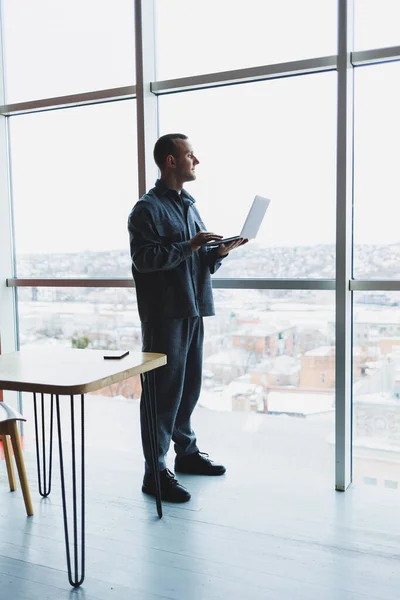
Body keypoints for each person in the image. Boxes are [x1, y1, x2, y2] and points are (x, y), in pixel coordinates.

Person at [127, 133, 247, 503]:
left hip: (193, 309)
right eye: (190, 154)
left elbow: (194, 261)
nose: (197, 160)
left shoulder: (189, 206)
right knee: (161, 395)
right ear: (170, 161)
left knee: (188, 389)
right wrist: (191, 245)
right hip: (165, 315)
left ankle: (187, 453)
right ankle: (155, 472)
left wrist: (216, 253)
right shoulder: (145, 210)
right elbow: (145, 261)